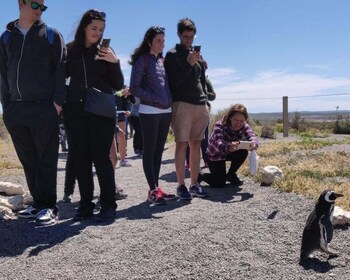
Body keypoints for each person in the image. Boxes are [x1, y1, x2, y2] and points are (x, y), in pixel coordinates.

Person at [0, 0, 66, 225]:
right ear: (20, 2)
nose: (39, 10)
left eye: (43, 7)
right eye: (35, 5)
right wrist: (6, 107)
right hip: (16, 109)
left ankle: (49, 206)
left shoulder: (51, 35)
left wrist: (57, 104)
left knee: (46, 159)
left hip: (44, 107)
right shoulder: (6, 37)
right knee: (29, 160)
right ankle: (38, 203)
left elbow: (61, 69)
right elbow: (2, 74)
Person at [64, 9, 124, 222]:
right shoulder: (70, 50)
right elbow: (61, 78)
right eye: (94, 28)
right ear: (84, 27)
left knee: (101, 158)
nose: (98, 32)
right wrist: (60, 104)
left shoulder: (107, 51)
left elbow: (118, 85)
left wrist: (113, 62)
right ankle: (85, 205)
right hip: (76, 111)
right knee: (81, 159)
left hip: (102, 112)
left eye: (101, 29)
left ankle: (108, 205)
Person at [164, 18, 209, 200]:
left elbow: (202, 80)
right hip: (182, 103)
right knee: (182, 144)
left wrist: (206, 99)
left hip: (200, 104)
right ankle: (181, 185)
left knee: (196, 143)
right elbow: (173, 82)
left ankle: (195, 184)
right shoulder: (172, 54)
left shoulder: (197, 55)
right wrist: (188, 63)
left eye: (191, 36)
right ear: (178, 35)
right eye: (185, 36)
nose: (188, 40)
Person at [129, 26, 175, 205]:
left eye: (163, 41)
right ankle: (153, 189)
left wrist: (168, 100)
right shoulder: (143, 60)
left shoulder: (162, 61)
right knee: (149, 151)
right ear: (149, 41)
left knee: (158, 152)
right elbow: (134, 87)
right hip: (149, 111)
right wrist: (155, 100)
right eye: (158, 41)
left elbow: (166, 85)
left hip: (166, 111)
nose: (162, 44)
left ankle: (155, 190)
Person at [198, 104, 258, 187]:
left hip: (229, 151)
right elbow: (219, 143)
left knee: (243, 152)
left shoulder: (244, 125)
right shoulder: (219, 125)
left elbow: (252, 135)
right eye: (236, 120)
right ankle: (200, 175)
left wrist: (254, 144)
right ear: (230, 118)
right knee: (219, 183)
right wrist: (228, 147)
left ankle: (231, 174)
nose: (239, 123)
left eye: (242, 121)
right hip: (215, 154)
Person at [185, 75, 216, 171]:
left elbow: (213, 95)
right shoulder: (185, 77)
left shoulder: (206, 80)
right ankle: (189, 163)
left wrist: (203, 94)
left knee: (204, 138)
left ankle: (206, 161)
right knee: (187, 139)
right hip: (186, 111)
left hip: (203, 111)